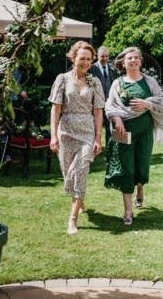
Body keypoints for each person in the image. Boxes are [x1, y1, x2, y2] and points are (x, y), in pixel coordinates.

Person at [104, 46, 163, 226]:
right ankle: (127, 211)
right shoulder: (117, 83)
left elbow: (162, 102)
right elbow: (110, 106)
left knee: (141, 166)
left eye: (136, 58)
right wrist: (117, 119)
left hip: (144, 132)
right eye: (129, 59)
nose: (133, 61)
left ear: (140, 61)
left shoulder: (150, 82)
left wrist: (146, 104)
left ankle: (140, 191)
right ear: (123, 63)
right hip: (124, 131)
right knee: (127, 168)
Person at [48, 41, 105, 235]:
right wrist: (53, 135)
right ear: (73, 58)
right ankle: (80, 198)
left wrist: (98, 138)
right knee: (68, 173)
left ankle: (73, 219)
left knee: (81, 170)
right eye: (82, 58)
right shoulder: (62, 79)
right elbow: (55, 109)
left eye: (89, 59)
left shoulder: (94, 82)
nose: (86, 62)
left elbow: (98, 112)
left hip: (87, 133)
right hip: (66, 133)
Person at [90, 46, 117, 143]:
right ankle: (93, 147)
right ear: (97, 56)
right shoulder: (92, 68)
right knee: (95, 127)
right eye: (102, 56)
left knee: (111, 126)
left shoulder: (112, 69)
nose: (105, 58)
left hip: (110, 103)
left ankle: (110, 148)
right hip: (96, 103)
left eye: (106, 56)